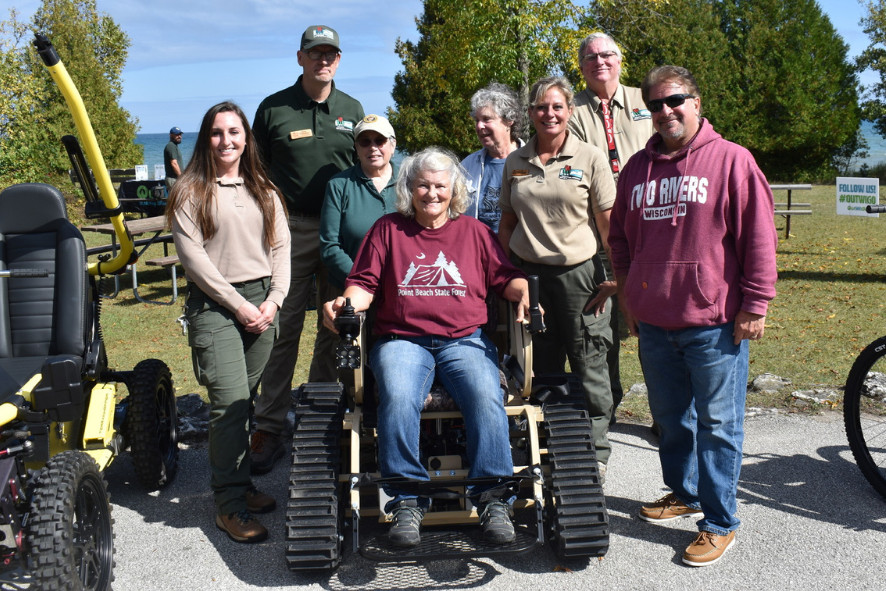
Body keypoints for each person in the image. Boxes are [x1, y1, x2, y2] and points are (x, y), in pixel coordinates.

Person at [608, 65, 777, 567]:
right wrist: (631, 298)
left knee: (719, 425)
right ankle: (684, 493)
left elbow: (759, 239)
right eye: (654, 105)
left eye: (673, 100)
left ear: (696, 102)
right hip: (655, 322)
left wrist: (755, 304)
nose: (664, 112)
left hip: (715, 324)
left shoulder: (732, 161)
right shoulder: (637, 168)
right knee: (671, 422)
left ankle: (720, 522)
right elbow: (619, 240)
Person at [323, 147, 531, 548]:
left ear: (453, 189)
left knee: (486, 392)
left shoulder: (474, 233)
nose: (431, 193)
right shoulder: (388, 230)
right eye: (423, 185)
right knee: (399, 395)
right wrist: (345, 304)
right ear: (410, 187)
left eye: (439, 185)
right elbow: (363, 284)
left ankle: (492, 499)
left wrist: (524, 292)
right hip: (402, 340)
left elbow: (507, 277)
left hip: (464, 339)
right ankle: (405, 500)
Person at [166, 101, 291, 543]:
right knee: (231, 402)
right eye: (217, 133)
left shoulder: (264, 189)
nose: (226, 141)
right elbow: (195, 261)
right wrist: (239, 305)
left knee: (246, 400)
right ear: (206, 138)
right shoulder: (189, 191)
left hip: (262, 304)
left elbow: (281, 250)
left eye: (234, 132)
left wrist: (274, 301)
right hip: (217, 305)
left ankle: (240, 484)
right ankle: (229, 506)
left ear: (246, 138)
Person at [251, 24, 365, 474]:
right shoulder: (274, 109)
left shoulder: (352, 109)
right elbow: (254, 169)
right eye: (315, 53)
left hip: (340, 232)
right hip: (290, 230)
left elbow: (368, 165)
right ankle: (269, 425)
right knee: (282, 328)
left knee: (336, 326)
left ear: (339, 60)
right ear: (300, 57)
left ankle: (320, 415)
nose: (324, 60)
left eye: (331, 54)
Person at [498, 76, 617, 480]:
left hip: (579, 275)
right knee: (536, 362)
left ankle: (597, 453)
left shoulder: (590, 157)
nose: (549, 114)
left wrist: (617, 275)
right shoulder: (516, 162)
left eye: (557, 106)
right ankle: (546, 442)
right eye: (540, 107)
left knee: (589, 360)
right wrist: (503, 271)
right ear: (529, 114)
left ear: (568, 111)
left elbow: (609, 226)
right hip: (528, 276)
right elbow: (507, 221)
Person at [568, 32, 655, 422]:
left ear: (620, 60)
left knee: (656, 324)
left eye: (607, 54)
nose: (599, 61)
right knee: (602, 330)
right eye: (590, 57)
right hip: (597, 235)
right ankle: (606, 410)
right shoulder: (570, 111)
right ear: (582, 66)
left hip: (651, 232)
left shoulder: (648, 100)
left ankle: (665, 415)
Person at [320, 114, 399, 291]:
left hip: (401, 288)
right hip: (350, 286)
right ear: (356, 147)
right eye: (365, 142)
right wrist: (362, 280)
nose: (373, 148)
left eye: (380, 141)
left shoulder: (411, 182)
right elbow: (330, 246)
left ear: (392, 145)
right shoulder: (338, 185)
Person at [461, 83, 525, 233]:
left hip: (520, 252)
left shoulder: (532, 160)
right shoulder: (467, 166)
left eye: (486, 119)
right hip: (480, 251)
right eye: (477, 120)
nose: (479, 126)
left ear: (509, 120)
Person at [164, 126, 184, 192]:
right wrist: (181, 177)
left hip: (175, 179)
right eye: (177, 134)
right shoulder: (171, 146)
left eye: (180, 134)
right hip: (173, 179)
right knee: (177, 201)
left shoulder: (174, 146)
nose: (179, 136)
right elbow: (174, 163)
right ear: (170, 135)